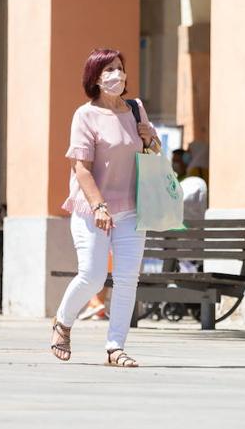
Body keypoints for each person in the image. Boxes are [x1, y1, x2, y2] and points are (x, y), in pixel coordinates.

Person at [51, 48, 160, 368]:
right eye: (109, 69)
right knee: (93, 276)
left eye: (120, 68)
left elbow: (154, 154)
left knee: (128, 279)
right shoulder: (85, 115)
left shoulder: (136, 109)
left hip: (131, 209)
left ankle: (115, 347)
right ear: (95, 77)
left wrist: (150, 136)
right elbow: (80, 168)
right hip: (92, 209)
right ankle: (62, 322)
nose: (117, 74)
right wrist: (98, 206)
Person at [171, 148, 208, 222]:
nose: (174, 164)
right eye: (173, 161)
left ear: (185, 161)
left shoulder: (193, 177)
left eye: (177, 161)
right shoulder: (173, 178)